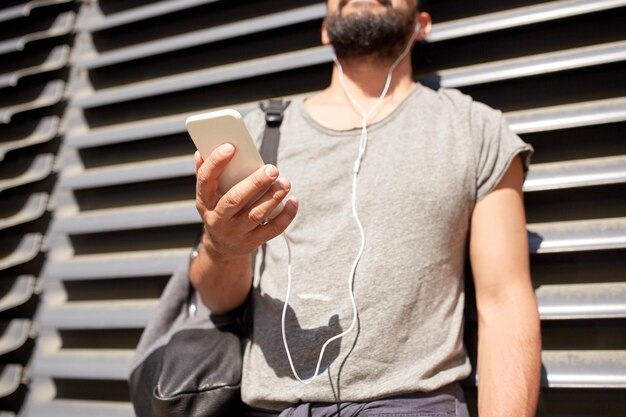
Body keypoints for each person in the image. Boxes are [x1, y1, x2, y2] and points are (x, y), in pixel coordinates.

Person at [189, 0, 542, 416]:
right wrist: (223, 246)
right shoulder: (257, 134)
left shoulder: (473, 128)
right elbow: (217, 299)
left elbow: (505, 302)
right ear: (325, 29)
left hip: (412, 406)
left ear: (421, 25)